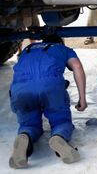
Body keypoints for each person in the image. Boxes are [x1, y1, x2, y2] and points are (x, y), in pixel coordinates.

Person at [9, 35, 87, 169]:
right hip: (50, 88)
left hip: (20, 89)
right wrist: (83, 98)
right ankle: (59, 137)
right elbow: (77, 67)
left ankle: (25, 135)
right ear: (60, 41)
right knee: (61, 121)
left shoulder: (28, 48)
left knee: (29, 124)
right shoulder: (63, 49)